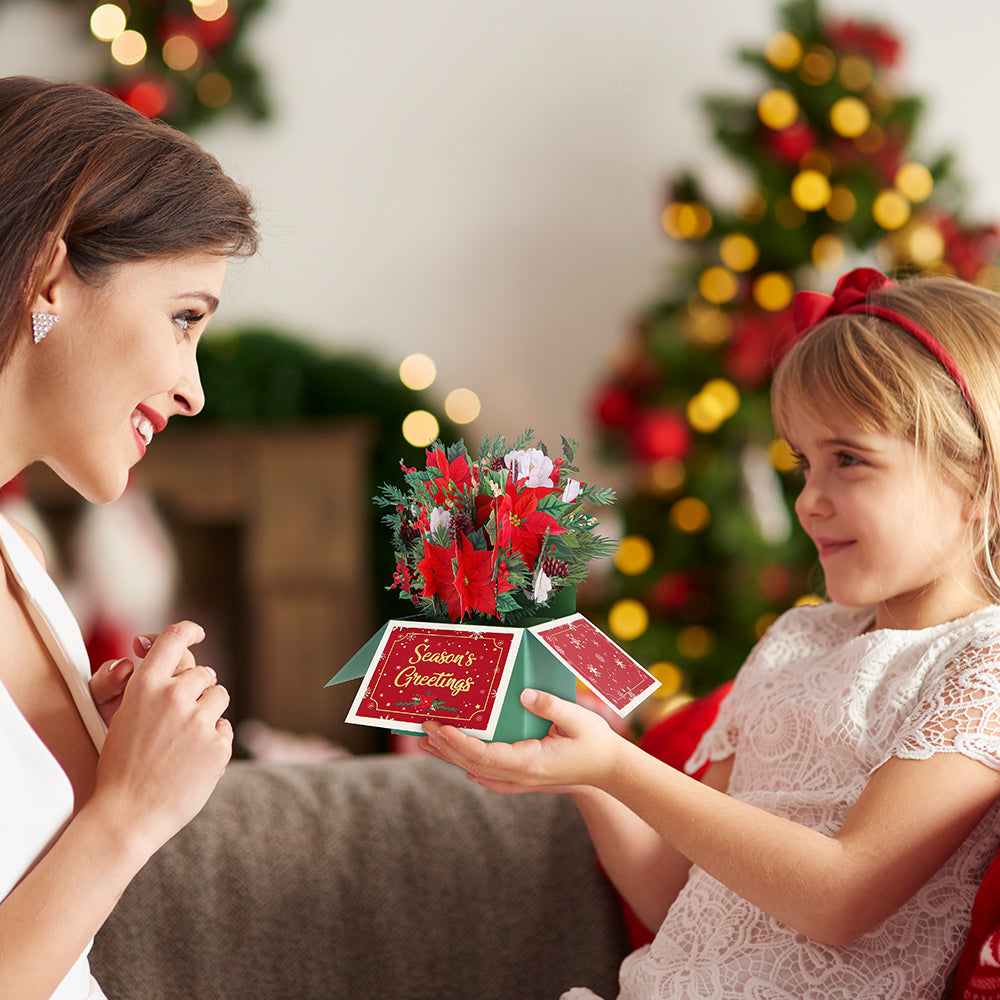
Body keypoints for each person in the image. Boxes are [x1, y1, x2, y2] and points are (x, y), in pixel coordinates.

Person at [422, 266, 1000, 1000]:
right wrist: (588, 770)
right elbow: (677, 896)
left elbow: (841, 896)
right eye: (802, 463)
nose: (808, 503)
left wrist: (618, 770)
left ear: (978, 483)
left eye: (848, 461)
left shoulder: (984, 664)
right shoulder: (797, 639)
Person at [0, 76, 258, 999]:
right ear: (50, 276)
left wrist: (103, 746)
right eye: (184, 318)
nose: (192, 390)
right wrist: (128, 814)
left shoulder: (20, 564)